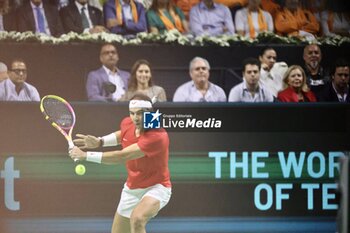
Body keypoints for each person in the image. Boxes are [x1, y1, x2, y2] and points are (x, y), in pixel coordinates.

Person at [70, 93, 172, 233]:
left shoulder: (157, 136)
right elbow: (123, 133)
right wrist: (100, 141)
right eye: (132, 113)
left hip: (157, 187)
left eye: (140, 114)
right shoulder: (128, 122)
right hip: (132, 189)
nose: (135, 118)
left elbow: (121, 156)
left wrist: (86, 155)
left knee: (137, 219)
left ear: (149, 113)